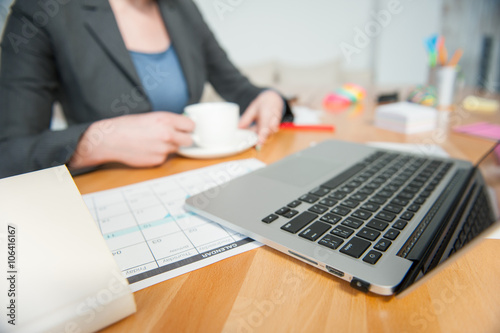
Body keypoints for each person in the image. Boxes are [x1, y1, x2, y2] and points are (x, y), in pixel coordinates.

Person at [0, 0, 292, 178]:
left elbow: (239, 88)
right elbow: (10, 154)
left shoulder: (183, 8)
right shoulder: (42, 9)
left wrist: (268, 96)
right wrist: (93, 142)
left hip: (190, 179)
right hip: (109, 194)